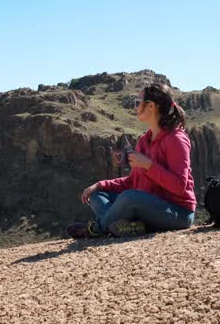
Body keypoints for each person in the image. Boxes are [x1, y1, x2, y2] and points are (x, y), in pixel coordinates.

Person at [66, 83, 197, 238]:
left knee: (130, 197)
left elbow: (179, 186)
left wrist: (148, 165)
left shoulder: (176, 139)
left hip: (178, 213)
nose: (134, 107)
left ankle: (96, 229)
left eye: (137, 102)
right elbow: (132, 182)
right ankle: (131, 227)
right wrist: (100, 185)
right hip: (146, 207)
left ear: (151, 106)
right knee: (97, 196)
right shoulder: (144, 140)